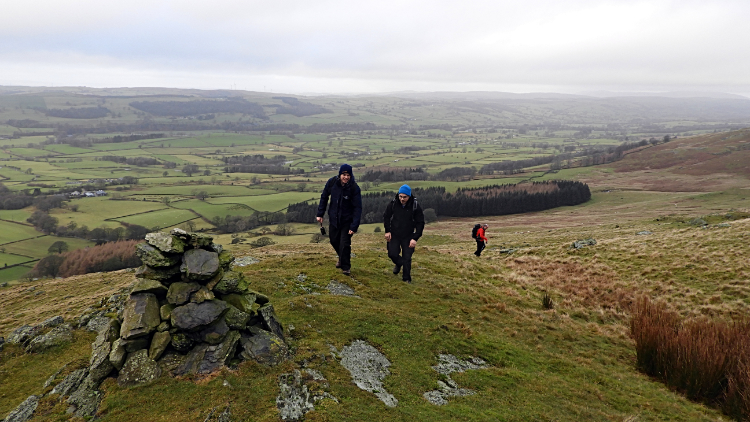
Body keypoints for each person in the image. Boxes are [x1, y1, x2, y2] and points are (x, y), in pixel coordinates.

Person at [316, 164, 362, 275]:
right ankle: (341, 258)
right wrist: (320, 213)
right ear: (340, 174)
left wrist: (354, 226)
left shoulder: (354, 188)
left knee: (344, 244)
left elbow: (358, 208)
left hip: (347, 221)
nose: (346, 177)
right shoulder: (332, 183)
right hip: (334, 219)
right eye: (344, 174)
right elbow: (324, 196)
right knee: (333, 240)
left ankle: (346, 267)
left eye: (348, 175)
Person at [383, 184, 425, 283]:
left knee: (407, 257)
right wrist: (387, 231)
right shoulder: (393, 204)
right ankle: (399, 263)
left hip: (408, 235)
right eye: (400, 196)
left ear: (409, 196)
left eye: (404, 197)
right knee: (392, 254)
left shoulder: (415, 206)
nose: (402, 199)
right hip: (394, 234)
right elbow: (386, 217)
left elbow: (420, 223)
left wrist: (415, 238)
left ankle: (406, 279)